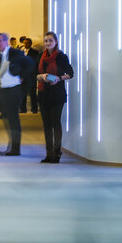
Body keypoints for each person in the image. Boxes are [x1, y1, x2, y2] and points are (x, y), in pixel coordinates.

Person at [0, 32, 33, 157]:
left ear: (6, 41)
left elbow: (30, 64)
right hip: (3, 91)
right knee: (7, 120)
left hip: (13, 90)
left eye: (0, 41)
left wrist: (23, 77)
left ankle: (15, 148)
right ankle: (11, 147)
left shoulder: (15, 53)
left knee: (13, 120)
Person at [36, 32, 74, 164]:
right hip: (43, 93)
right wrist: (41, 77)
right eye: (46, 41)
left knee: (55, 123)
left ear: (56, 41)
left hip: (57, 94)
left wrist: (59, 78)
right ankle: (49, 153)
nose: (48, 43)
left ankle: (57, 153)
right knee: (46, 125)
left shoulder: (61, 57)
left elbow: (70, 73)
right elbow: (36, 74)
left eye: (50, 41)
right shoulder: (41, 57)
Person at [20, 38, 40, 114]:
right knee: (23, 93)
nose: (26, 44)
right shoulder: (21, 52)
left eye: (27, 43)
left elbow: (35, 63)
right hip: (23, 75)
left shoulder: (34, 52)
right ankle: (22, 109)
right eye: (25, 43)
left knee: (32, 93)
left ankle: (34, 108)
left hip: (31, 75)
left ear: (30, 43)